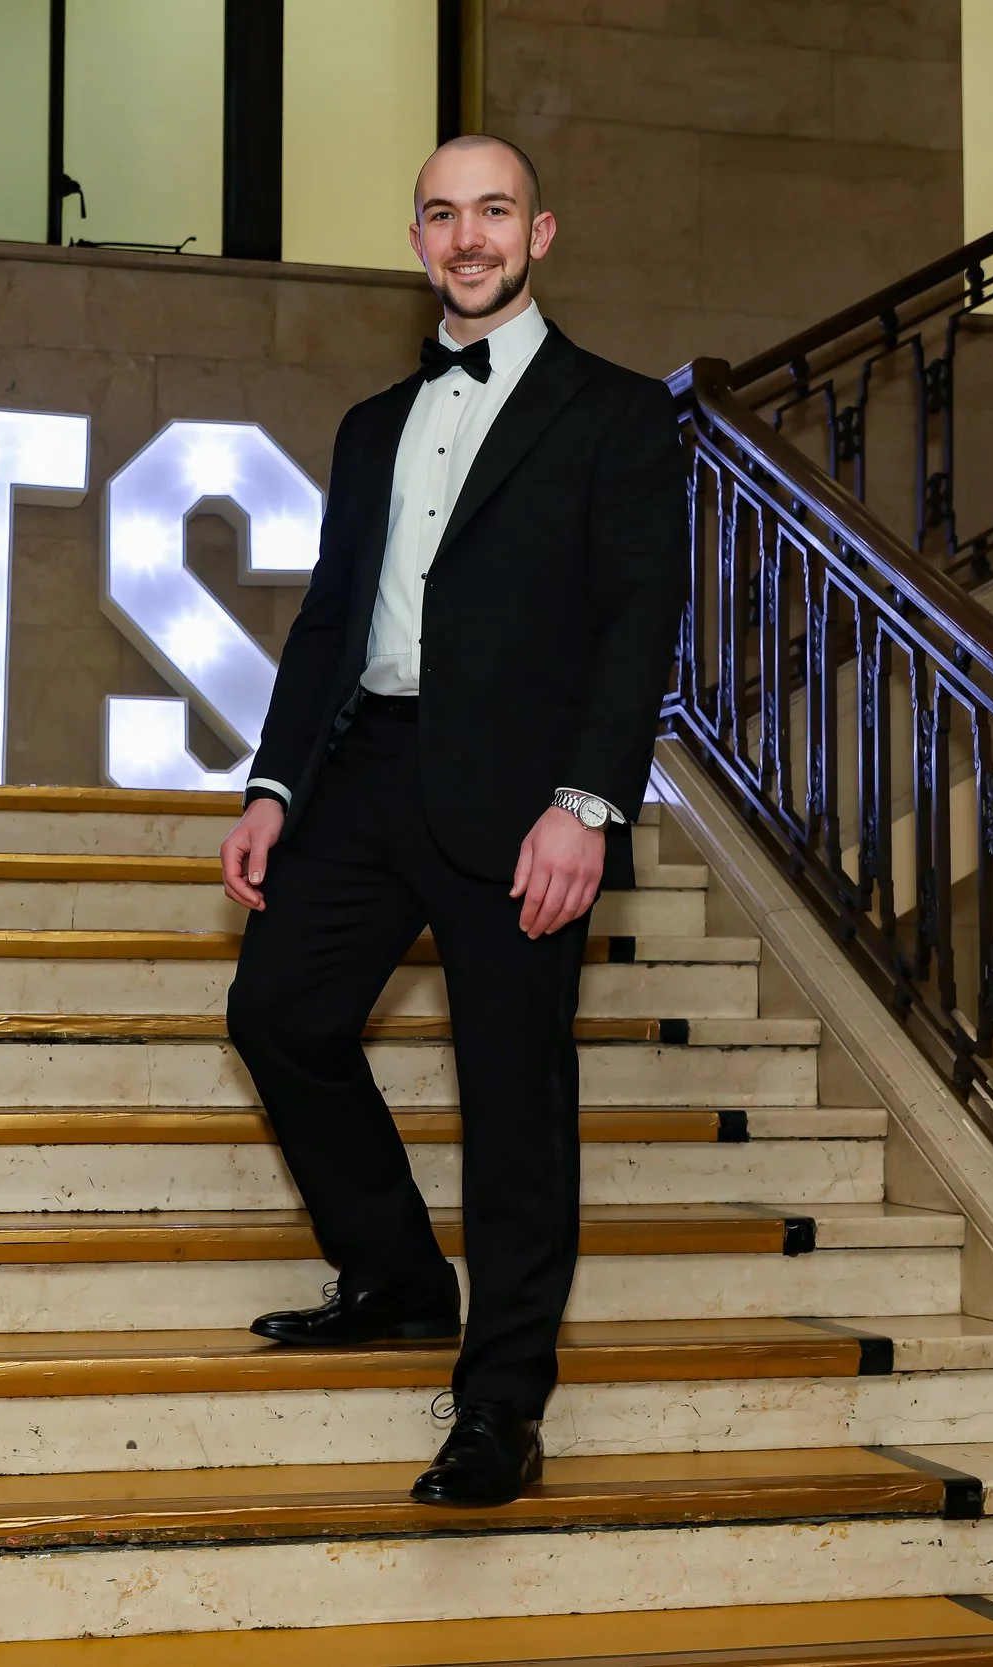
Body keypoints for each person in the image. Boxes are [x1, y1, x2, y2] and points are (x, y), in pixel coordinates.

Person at [219, 134, 688, 1508]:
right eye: (442, 214)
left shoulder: (611, 414)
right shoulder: (372, 424)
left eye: (494, 211)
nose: (467, 235)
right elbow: (327, 621)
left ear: (541, 234)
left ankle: (500, 1404)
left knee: (513, 1103)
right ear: (419, 239)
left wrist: (588, 803)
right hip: (363, 770)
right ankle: (400, 1275)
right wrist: (272, 781)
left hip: (526, 793)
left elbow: (635, 620)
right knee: (279, 1013)